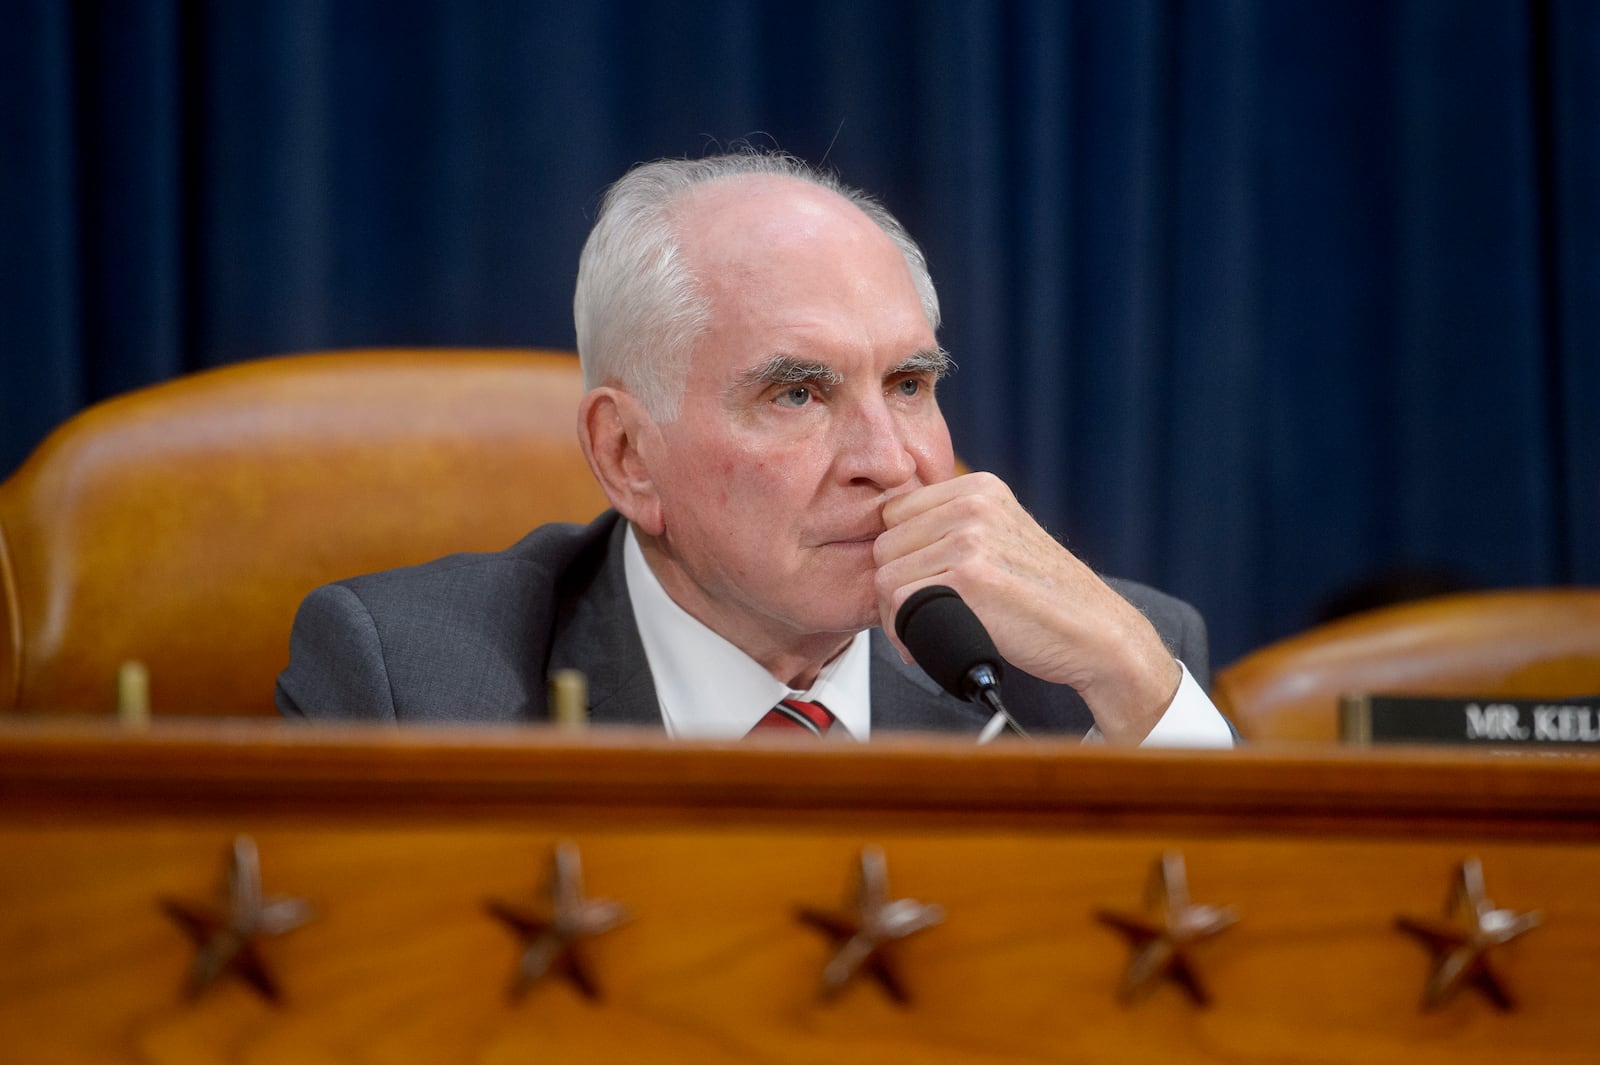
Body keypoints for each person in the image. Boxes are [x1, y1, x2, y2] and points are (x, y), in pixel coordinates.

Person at [276, 150, 1233, 746]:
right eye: (798, 392)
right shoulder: (413, 686)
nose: (891, 461)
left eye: (909, 384)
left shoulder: (1090, 674)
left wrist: (1142, 684)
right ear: (627, 456)